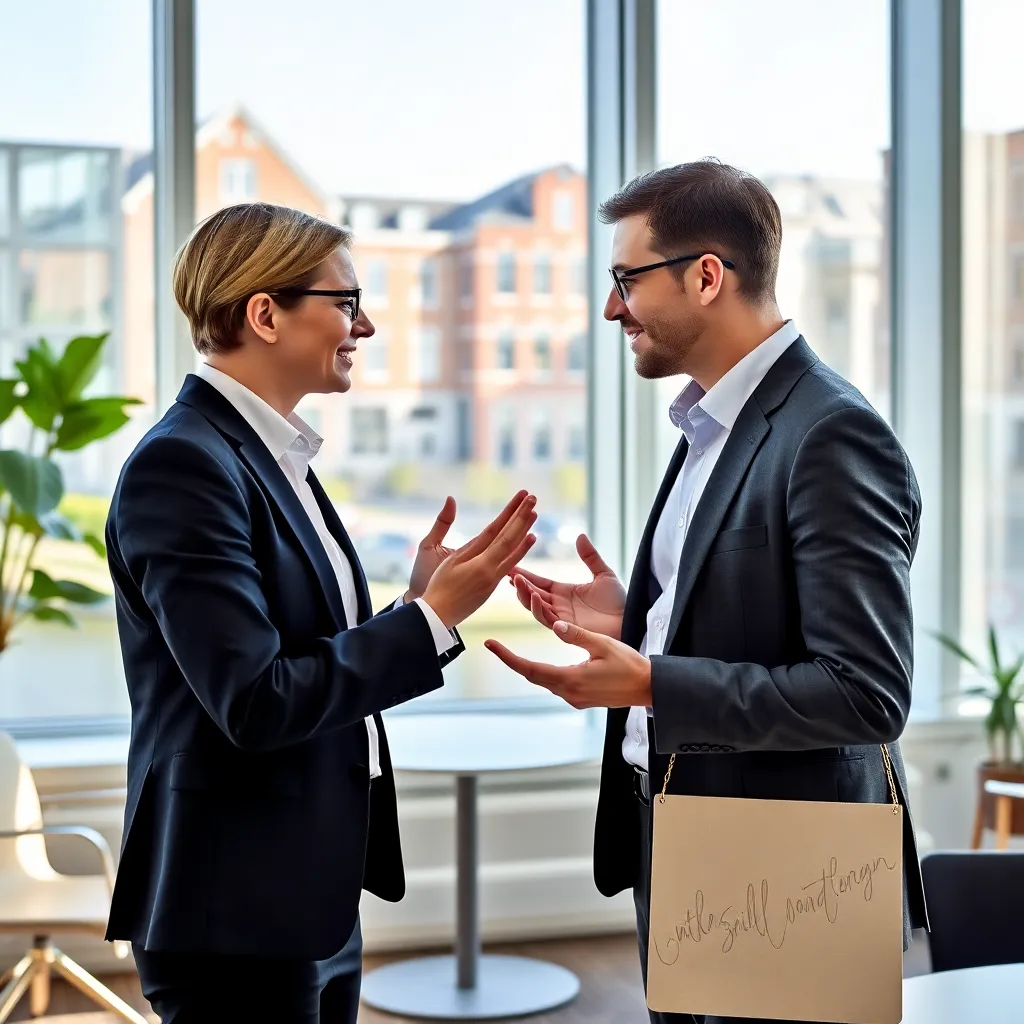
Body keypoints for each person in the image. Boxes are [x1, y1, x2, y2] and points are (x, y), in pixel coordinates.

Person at [487, 160, 929, 1024]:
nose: (611, 308)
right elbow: (752, 613)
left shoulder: (831, 433)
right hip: (685, 826)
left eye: (626, 280)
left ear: (706, 276)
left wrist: (652, 679)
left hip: (788, 863)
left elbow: (866, 693)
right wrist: (641, 619)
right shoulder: (712, 422)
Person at [105, 201, 538, 1023]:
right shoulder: (184, 465)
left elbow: (305, 648)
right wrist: (429, 621)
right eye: (346, 302)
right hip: (234, 902)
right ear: (265, 315)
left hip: (305, 888)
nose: (364, 326)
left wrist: (417, 603)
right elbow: (255, 700)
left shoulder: (271, 455)